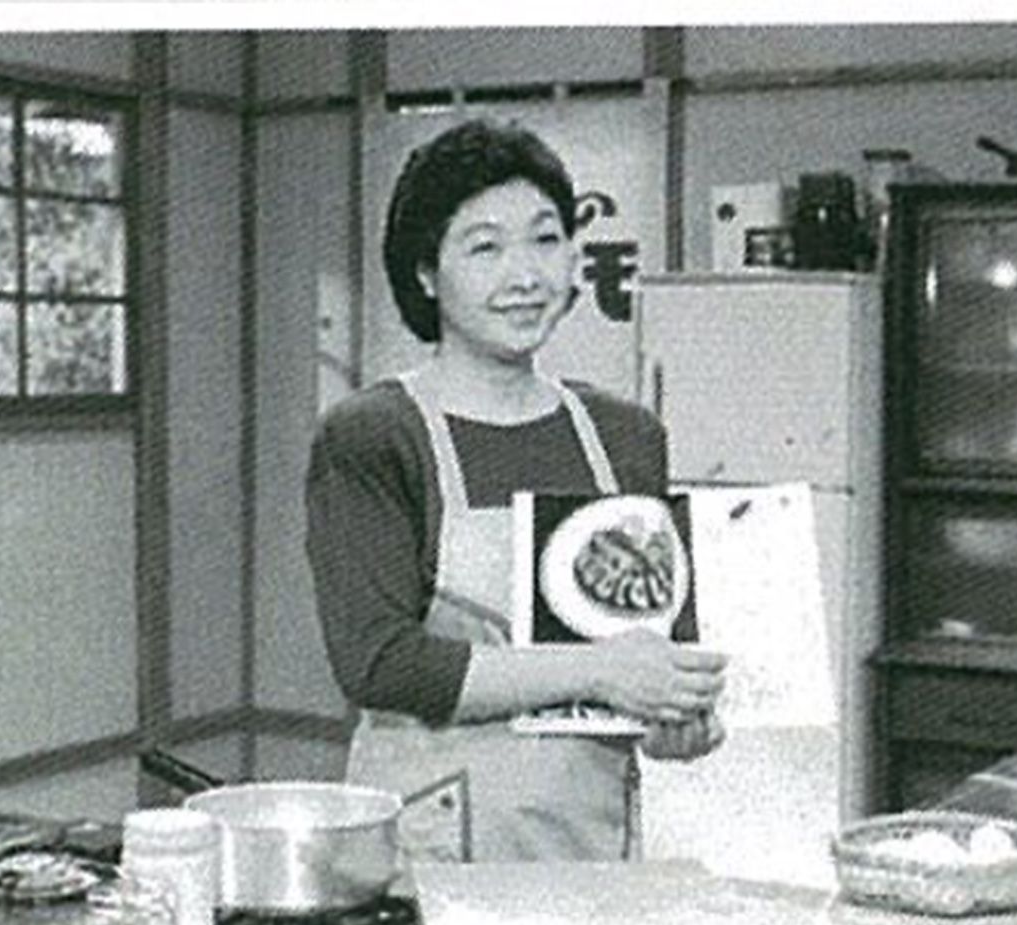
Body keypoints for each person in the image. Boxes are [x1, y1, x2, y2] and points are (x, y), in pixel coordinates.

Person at [304, 118, 726, 863]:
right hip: (431, 859)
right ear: (426, 274)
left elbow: (649, 651)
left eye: (545, 239)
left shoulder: (626, 435)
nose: (526, 275)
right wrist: (599, 670)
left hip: (593, 850)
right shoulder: (374, 435)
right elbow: (380, 662)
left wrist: (673, 718)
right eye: (485, 248)